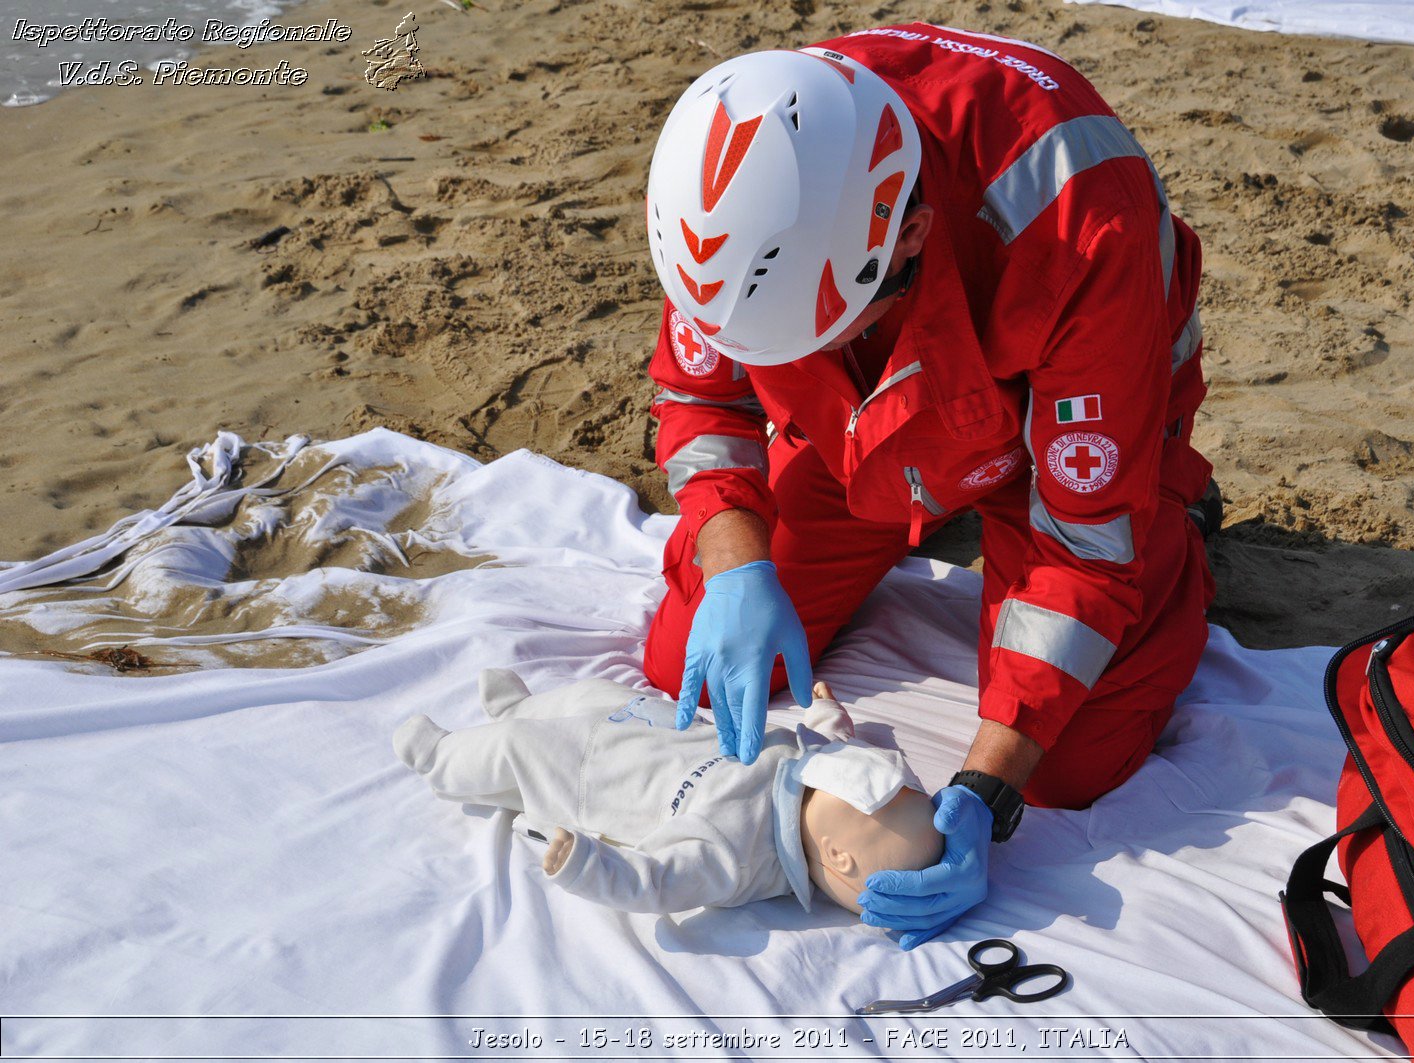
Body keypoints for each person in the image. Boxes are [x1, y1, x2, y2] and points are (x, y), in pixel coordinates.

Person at [639, 23, 1218, 948]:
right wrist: (735, 559)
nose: (792, 353)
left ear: (909, 234)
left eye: (818, 333)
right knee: (690, 668)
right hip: (860, 425)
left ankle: (1177, 513)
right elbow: (701, 398)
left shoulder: (1076, 224)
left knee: (1070, 761)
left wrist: (988, 788)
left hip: (1053, 431)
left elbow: (1083, 551)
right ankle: (912, 498)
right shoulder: (741, 181)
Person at [393, 672, 942, 915]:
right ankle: (521, 705)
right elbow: (835, 742)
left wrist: (588, 864)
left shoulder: (736, 854)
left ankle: (440, 756)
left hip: (591, 773)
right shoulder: (814, 767)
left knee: (517, 748)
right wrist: (826, 710)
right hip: (652, 724)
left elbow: (657, 882)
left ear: (838, 855)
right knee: (595, 693)